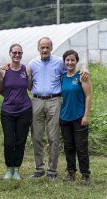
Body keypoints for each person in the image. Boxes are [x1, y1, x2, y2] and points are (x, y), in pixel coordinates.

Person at [28, 37, 88, 180]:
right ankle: (39, 168)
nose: (45, 50)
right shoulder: (32, 63)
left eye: (47, 47)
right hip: (36, 101)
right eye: (42, 47)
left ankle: (52, 171)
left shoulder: (60, 62)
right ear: (38, 48)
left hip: (54, 101)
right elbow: (28, 81)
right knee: (36, 137)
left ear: (51, 48)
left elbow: (71, 70)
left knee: (53, 137)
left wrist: (84, 69)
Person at [0, 44, 32, 180]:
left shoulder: (26, 70)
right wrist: (10, 97)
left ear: (22, 54)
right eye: (14, 52)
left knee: (20, 141)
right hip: (8, 111)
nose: (17, 55)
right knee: (9, 141)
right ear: (10, 53)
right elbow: (0, 89)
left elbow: (30, 87)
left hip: (24, 110)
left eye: (19, 53)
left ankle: (17, 169)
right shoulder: (3, 71)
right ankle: (9, 169)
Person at [60, 50, 91, 185]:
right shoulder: (62, 77)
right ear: (64, 62)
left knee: (81, 147)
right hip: (65, 117)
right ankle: (71, 172)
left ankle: (85, 174)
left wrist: (86, 116)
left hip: (79, 117)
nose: (70, 62)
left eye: (72, 60)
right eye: (67, 60)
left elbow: (88, 96)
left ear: (76, 61)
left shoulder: (82, 76)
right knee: (68, 147)